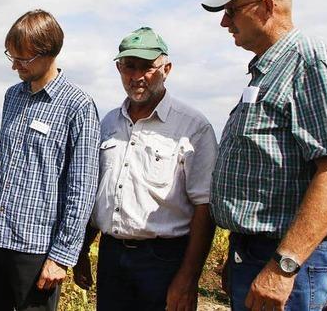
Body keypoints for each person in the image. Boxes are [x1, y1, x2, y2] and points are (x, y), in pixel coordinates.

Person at [202, 0, 327, 310]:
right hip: (259, 252)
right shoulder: (268, 70)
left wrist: (284, 265)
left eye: (232, 10)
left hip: (290, 261)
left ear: (266, 7)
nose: (224, 22)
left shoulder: (308, 59)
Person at [72, 27, 218, 311]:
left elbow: (205, 206)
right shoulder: (109, 124)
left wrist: (188, 278)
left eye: (148, 67)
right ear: (119, 68)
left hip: (163, 261)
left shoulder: (192, 127)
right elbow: (98, 193)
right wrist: (82, 249)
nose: (137, 76)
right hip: (112, 255)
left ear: (167, 69)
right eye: (129, 66)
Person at [0, 9, 101, 311]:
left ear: (50, 53)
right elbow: (3, 162)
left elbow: (83, 188)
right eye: (11, 56)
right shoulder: (13, 95)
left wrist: (61, 257)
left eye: (23, 59)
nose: (15, 65)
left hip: (35, 251)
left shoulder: (77, 106)